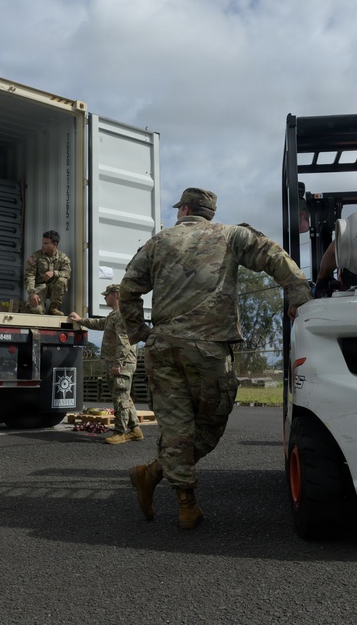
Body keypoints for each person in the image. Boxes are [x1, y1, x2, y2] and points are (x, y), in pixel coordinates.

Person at [118, 187, 311, 530]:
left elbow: (128, 289)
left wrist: (140, 332)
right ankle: (185, 506)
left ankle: (152, 475)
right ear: (208, 212)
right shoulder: (232, 235)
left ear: (186, 209)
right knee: (210, 424)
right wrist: (297, 294)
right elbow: (273, 256)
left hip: (162, 348)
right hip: (208, 349)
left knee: (177, 429)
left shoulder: (159, 242)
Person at [69, 284, 142, 445]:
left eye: (106, 295)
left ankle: (120, 432)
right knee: (125, 397)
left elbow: (125, 342)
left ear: (115, 295)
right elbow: (99, 323)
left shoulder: (121, 315)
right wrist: (81, 320)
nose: (104, 298)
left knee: (120, 398)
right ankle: (135, 429)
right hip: (118, 362)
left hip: (121, 363)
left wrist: (118, 363)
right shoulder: (113, 316)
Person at [24, 230, 71, 315]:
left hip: (54, 287)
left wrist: (54, 273)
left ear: (54, 245)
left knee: (62, 280)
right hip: (39, 287)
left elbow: (67, 273)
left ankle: (53, 308)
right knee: (37, 311)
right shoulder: (36, 257)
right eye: (43, 243)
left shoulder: (63, 258)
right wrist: (32, 293)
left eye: (46, 243)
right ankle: (39, 307)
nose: (43, 246)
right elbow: (29, 276)